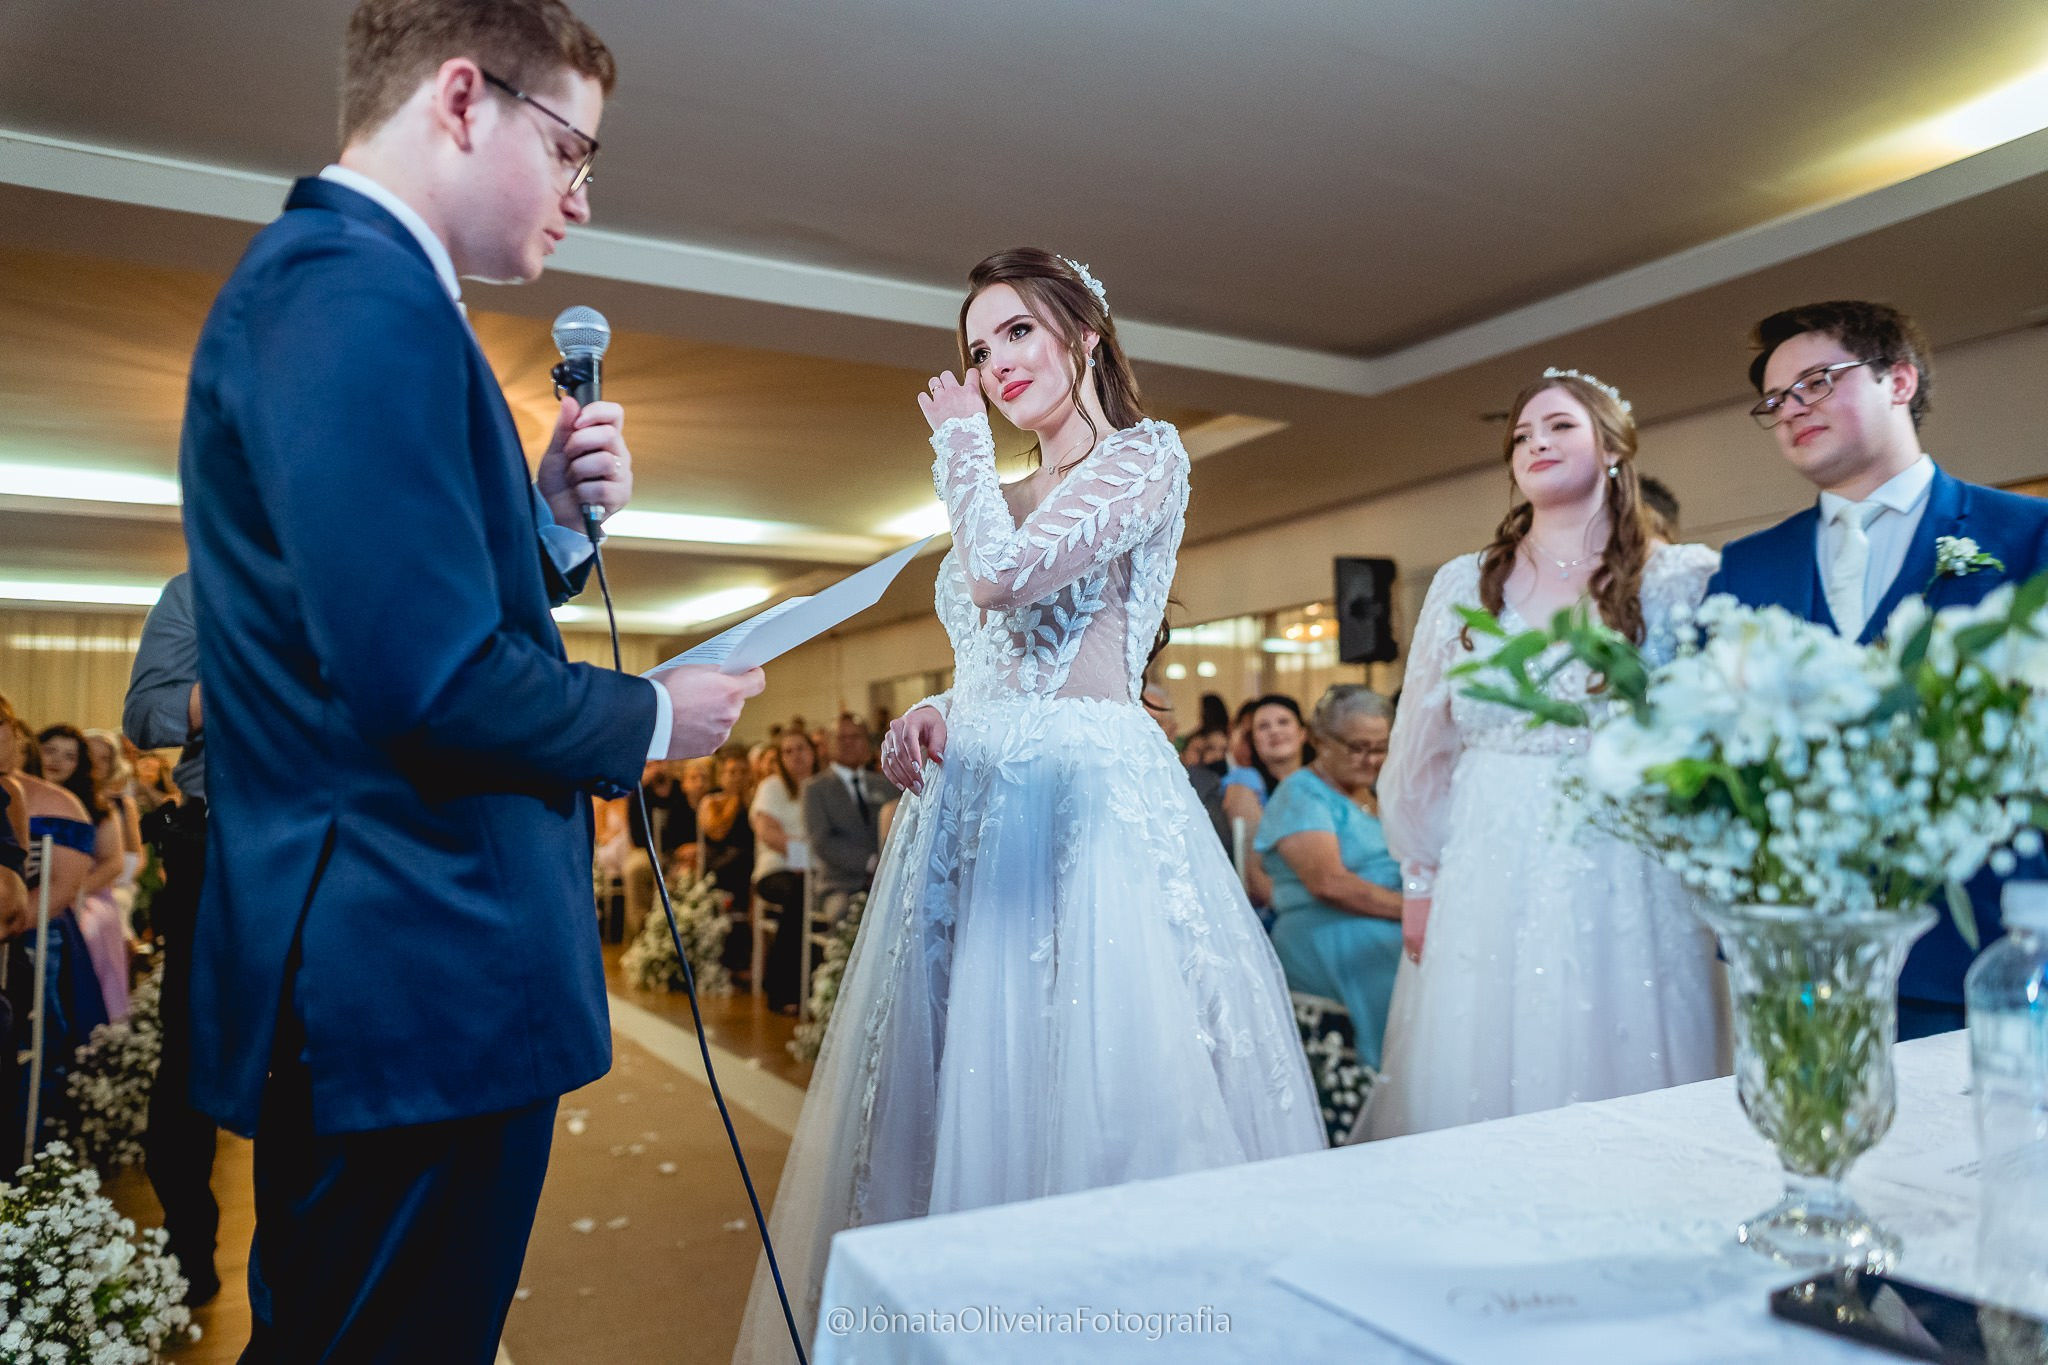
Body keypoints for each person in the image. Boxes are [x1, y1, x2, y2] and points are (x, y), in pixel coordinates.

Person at [174, 2, 761, 1356]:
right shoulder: (357, 297)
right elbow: (428, 685)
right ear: (460, 100)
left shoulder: (355, 293)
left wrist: (545, 528)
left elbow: (383, 622)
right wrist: (658, 713)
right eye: (570, 152)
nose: (583, 200)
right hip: (408, 960)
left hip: (397, 966)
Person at [737, 249, 1322, 1360]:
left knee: (1092, 1061)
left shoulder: (1144, 458)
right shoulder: (994, 499)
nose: (994, 362)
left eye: (1015, 333)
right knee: (966, 1076)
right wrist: (938, 717)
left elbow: (1009, 579)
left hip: (1086, 800)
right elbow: (992, 650)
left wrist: (954, 441)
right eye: (976, 348)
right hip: (972, 808)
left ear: (1083, 335)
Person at [1366, 368, 1728, 1141]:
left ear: (1613, 445)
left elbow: (1713, 734)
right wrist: (1420, 878)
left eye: (1558, 425)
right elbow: (1422, 744)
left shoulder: (1682, 580)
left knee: (1624, 1029)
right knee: (1487, 1041)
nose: (1536, 441)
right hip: (1490, 853)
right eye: (1522, 434)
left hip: (1632, 857)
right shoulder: (1466, 583)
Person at [1709, 301, 2048, 1039]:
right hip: (1799, 958)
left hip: (1984, 950)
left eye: (1816, 382)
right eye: (1774, 399)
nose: (1792, 408)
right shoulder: (1747, 567)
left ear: (1899, 379)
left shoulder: (2025, 535)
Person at [121, 570, 222, 1303]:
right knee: (189, 1047)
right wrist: (237, 686)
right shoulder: (198, 590)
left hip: (355, 848)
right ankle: (188, 1239)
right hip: (221, 845)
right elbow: (145, 714)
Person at [1257, 686, 1404, 1070]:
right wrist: (1417, 911)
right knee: (1409, 967)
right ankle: (1395, 1081)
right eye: (1358, 747)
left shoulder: (1371, 792)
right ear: (1322, 741)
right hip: (1330, 930)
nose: (1371, 759)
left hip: (1376, 921)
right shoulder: (1301, 794)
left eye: (1380, 747)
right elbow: (1329, 884)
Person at [38, 724, 130, 1022]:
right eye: (50, 750)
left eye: (69, 756)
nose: (56, 761)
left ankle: (81, 1016)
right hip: (32, 891)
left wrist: (71, 892)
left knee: (86, 927)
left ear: (80, 764)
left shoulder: (96, 805)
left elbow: (113, 863)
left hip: (87, 892)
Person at [798, 716, 897, 923]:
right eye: (841, 738)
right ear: (828, 745)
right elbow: (821, 842)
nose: (849, 743)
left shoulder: (886, 785)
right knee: (847, 915)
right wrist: (869, 863)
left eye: (855, 737)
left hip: (887, 880)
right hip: (839, 884)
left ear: (867, 743)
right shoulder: (815, 788)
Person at [1221, 694, 1311, 908]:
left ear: (1302, 733)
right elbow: (1253, 872)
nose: (1274, 731)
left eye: (1283, 722)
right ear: (1254, 741)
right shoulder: (1246, 782)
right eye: (1263, 726)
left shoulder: (1320, 783)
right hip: (1281, 907)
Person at [752, 728, 816, 1011]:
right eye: (787, 751)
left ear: (813, 752)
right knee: (799, 894)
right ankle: (783, 989)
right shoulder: (772, 787)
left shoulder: (822, 786)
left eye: (800, 748)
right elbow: (769, 833)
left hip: (817, 870)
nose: (795, 756)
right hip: (776, 869)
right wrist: (804, 860)